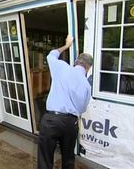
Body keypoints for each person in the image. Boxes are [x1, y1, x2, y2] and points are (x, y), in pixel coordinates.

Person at [38, 35, 93, 169]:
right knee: (68, 159)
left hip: (51, 119)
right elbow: (82, 109)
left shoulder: (62, 67)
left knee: (45, 158)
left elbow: (51, 55)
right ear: (88, 67)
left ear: (76, 62)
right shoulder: (86, 85)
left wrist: (67, 45)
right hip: (70, 123)